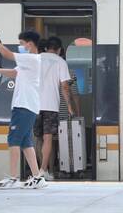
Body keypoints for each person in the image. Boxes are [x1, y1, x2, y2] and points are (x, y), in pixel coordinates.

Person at [0, 31, 47, 189]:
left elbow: (6, 54)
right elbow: (14, 72)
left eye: (21, 43)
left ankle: (12, 178)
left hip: (24, 105)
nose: (20, 47)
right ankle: (37, 178)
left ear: (29, 44)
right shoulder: (31, 61)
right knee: (26, 142)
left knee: (13, 139)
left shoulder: (32, 58)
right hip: (28, 105)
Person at [35, 37, 78, 180]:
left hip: (34, 105)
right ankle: (45, 171)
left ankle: (40, 169)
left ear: (46, 48)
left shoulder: (36, 59)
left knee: (37, 139)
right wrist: (70, 108)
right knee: (48, 139)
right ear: (59, 50)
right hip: (51, 106)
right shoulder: (60, 62)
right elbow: (65, 86)